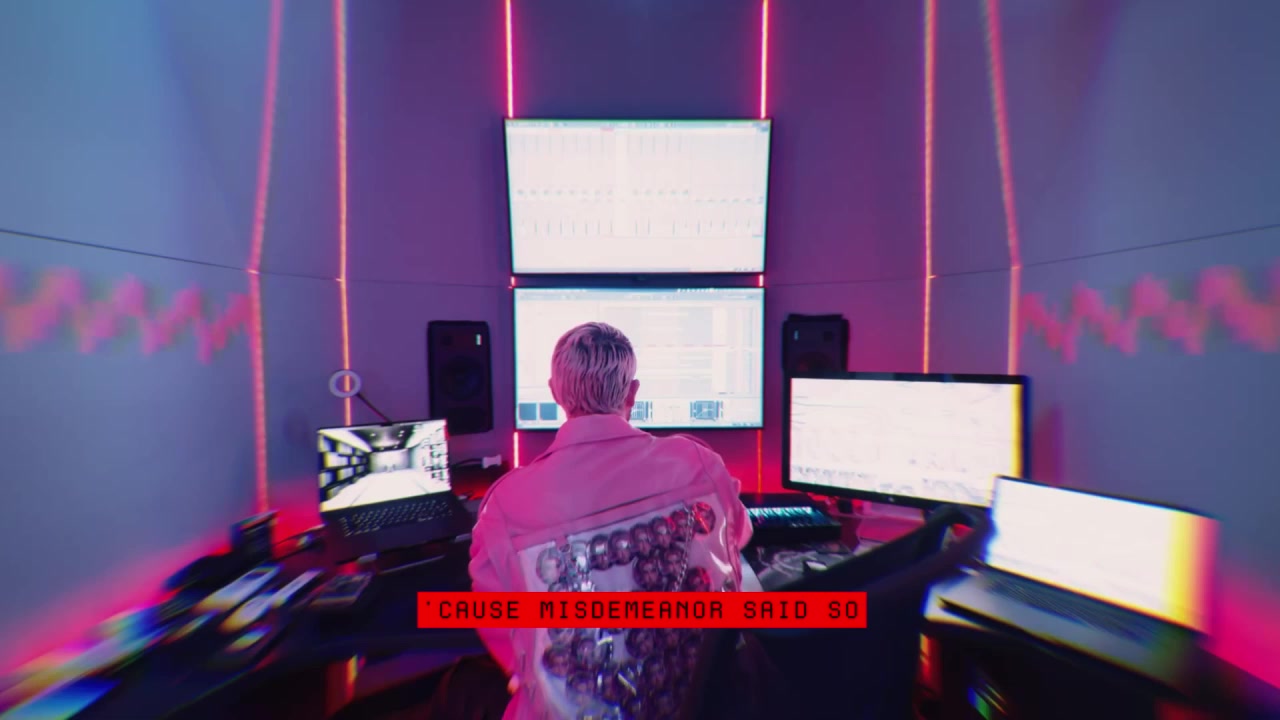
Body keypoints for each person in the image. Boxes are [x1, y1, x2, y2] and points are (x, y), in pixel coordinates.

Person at [468, 322, 753, 719]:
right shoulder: (698, 461)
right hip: (708, 702)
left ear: (554, 393)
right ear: (633, 393)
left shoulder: (505, 503)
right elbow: (738, 536)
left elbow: (500, 625)